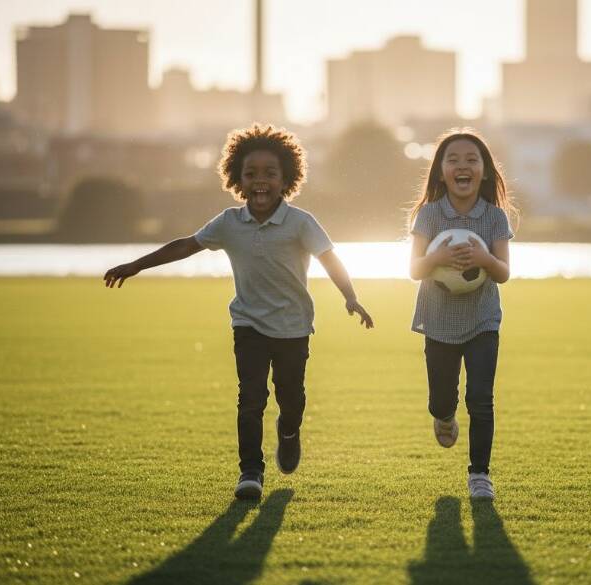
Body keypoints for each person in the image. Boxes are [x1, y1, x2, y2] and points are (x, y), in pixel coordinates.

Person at [103, 123, 374, 500]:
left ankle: (289, 431)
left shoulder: (300, 222)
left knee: (291, 397)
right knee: (250, 398)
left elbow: (329, 258)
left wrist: (350, 296)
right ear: (237, 180)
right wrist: (136, 265)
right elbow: (184, 246)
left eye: (270, 174)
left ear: (286, 179)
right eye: (251, 174)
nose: (260, 181)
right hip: (248, 325)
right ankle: (251, 471)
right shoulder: (229, 224)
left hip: (294, 327)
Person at [408, 128, 516, 500]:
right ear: (440, 172)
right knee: (442, 398)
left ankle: (480, 474)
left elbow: (502, 272)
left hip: (483, 320)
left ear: (484, 171)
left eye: (472, 160)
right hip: (438, 322)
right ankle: (443, 415)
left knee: (481, 397)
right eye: (453, 160)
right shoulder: (429, 215)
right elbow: (415, 269)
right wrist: (438, 259)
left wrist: (484, 258)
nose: (463, 166)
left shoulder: (495, 218)